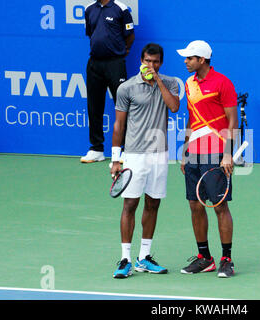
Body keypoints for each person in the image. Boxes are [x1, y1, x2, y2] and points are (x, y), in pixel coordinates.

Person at [110, 43, 180, 278]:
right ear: (141, 60)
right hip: (134, 155)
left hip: (159, 154)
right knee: (130, 205)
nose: (151, 65)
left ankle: (144, 258)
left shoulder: (170, 83)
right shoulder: (126, 88)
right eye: (147, 61)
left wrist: (158, 80)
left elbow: (174, 107)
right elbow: (119, 125)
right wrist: (116, 159)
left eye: (156, 61)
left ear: (161, 62)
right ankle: (125, 259)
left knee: (153, 204)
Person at [177, 40, 238, 278]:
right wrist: (184, 152)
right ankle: (205, 257)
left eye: (189, 58)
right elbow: (192, 120)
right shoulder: (189, 83)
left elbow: (232, 121)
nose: (185, 61)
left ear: (201, 60)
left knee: (219, 206)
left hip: (216, 152)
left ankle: (226, 259)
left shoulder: (223, 83)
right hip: (194, 151)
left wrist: (228, 153)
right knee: (194, 204)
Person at [81, 0, 135, 163]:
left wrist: (120, 53)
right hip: (94, 63)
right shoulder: (89, 9)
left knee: (123, 106)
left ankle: (126, 150)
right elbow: (91, 33)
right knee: (94, 106)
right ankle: (96, 149)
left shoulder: (121, 8)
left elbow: (130, 35)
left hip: (115, 63)